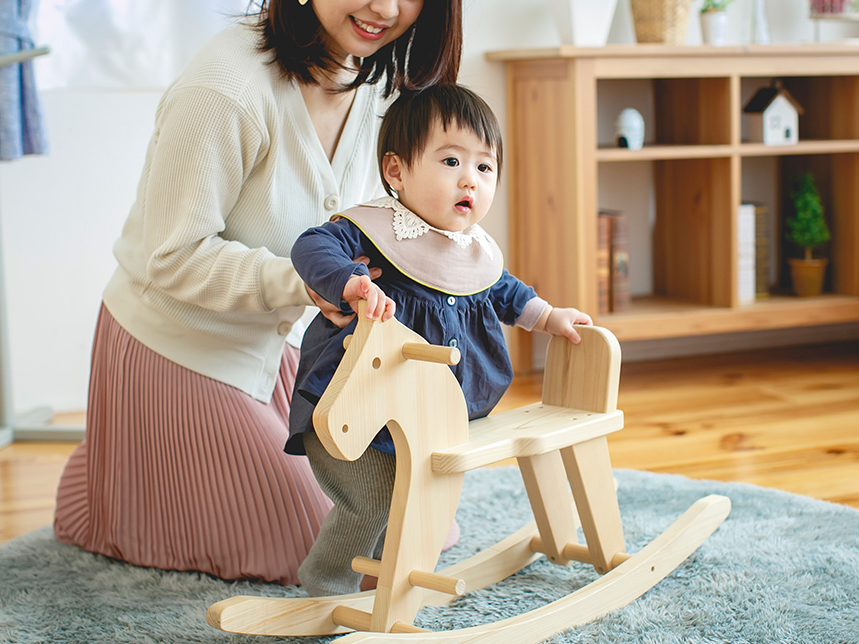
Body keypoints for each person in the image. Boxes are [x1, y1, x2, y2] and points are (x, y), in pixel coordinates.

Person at [53, 0, 464, 586]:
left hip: (289, 346)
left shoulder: (377, 82)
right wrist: (304, 281)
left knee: (408, 522)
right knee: (333, 549)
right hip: (181, 345)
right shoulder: (226, 86)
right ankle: (115, 486)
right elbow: (170, 256)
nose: (385, 8)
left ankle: (126, 474)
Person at [287, 84, 593, 597]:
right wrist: (349, 282)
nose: (469, 179)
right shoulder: (375, 231)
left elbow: (505, 292)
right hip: (354, 404)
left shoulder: (470, 250)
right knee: (373, 500)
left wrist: (549, 316)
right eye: (451, 160)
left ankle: (383, 583)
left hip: (425, 418)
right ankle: (325, 584)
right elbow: (311, 245)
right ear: (397, 171)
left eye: (484, 167)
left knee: (412, 499)